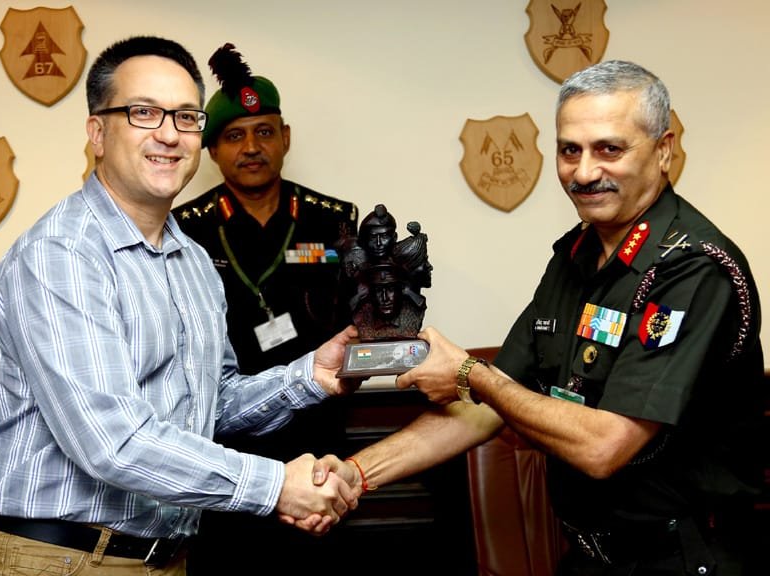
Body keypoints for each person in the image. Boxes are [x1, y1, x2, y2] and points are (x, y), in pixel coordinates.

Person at [317, 60, 765, 575]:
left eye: (609, 149)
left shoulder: (692, 267)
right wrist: (357, 472)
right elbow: (486, 405)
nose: (584, 171)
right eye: (570, 150)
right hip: (589, 554)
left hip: (685, 559)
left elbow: (604, 446)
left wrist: (468, 372)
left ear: (663, 151)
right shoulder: (576, 255)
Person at [0, 36, 359, 576]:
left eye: (185, 117)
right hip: (58, 558)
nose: (169, 135)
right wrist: (276, 487)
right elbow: (113, 441)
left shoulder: (194, 262)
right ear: (97, 132)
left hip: (164, 559)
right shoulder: (62, 254)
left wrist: (310, 375)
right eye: (144, 112)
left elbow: (211, 406)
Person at [171, 43, 358, 574]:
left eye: (264, 131)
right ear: (212, 149)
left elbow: (363, 319)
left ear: (286, 137)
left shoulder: (334, 223)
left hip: (320, 435)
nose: (251, 147)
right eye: (234, 135)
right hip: (227, 446)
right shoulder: (185, 232)